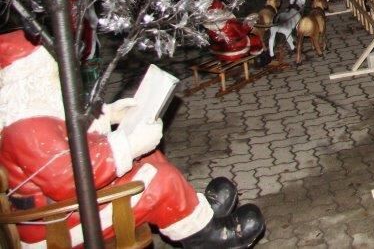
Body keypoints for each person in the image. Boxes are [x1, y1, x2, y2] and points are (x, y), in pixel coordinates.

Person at [0, 29, 264, 248]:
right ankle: (207, 236)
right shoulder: (27, 131)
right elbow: (70, 178)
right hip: (58, 226)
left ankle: (194, 211)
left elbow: (71, 133)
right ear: (29, 79)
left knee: (149, 156)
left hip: (70, 206)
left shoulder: (34, 112)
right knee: (159, 181)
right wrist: (127, 145)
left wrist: (109, 115)